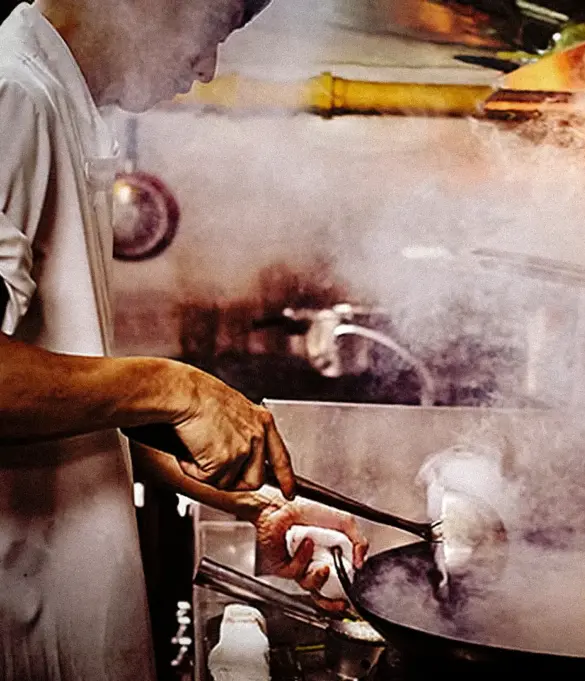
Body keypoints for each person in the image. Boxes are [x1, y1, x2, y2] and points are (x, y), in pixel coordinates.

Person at [0, 1, 367, 679]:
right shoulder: (12, 95)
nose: (206, 68)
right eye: (209, 32)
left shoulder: (49, 101)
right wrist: (176, 387)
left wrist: (255, 500)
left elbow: (71, 410)